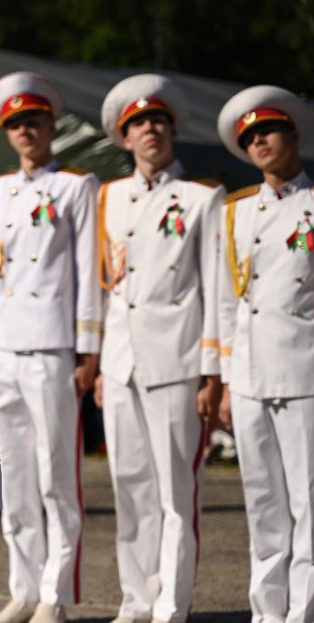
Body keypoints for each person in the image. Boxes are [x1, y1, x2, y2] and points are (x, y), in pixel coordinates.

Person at [94, 74, 224, 623]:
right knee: (130, 490)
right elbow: (106, 285)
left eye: (158, 121)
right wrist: (100, 362)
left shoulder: (202, 197)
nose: (150, 129)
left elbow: (217, 286)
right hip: (122, 362)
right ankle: (135, 599)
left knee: (176, 493)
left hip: (176, 359)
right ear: (125, 139)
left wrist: (212, 371)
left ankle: (172, 605)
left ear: (172, 130)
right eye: (138, 123)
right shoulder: (111, 196)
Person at [0, 73, 101, 623]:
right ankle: (23, 588)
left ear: (51, 126)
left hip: (53, 342)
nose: (24, 130)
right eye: (14, 124)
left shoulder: (77, 186)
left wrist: (87, 349)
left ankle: (56, 592)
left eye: (33, 120)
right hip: (5, 342)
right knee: (15, 477)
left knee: (58, 475)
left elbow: (85, 272)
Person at [216, 85, 314, 622]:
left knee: (308, 505)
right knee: (265, 507)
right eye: (250, 137)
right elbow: (229, 302)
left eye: (269, 131)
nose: (260, 142)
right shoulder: (237, 212)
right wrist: (229, 378)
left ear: (294, 134)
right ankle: (266, 612)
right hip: (251, 375)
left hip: (304, 371)